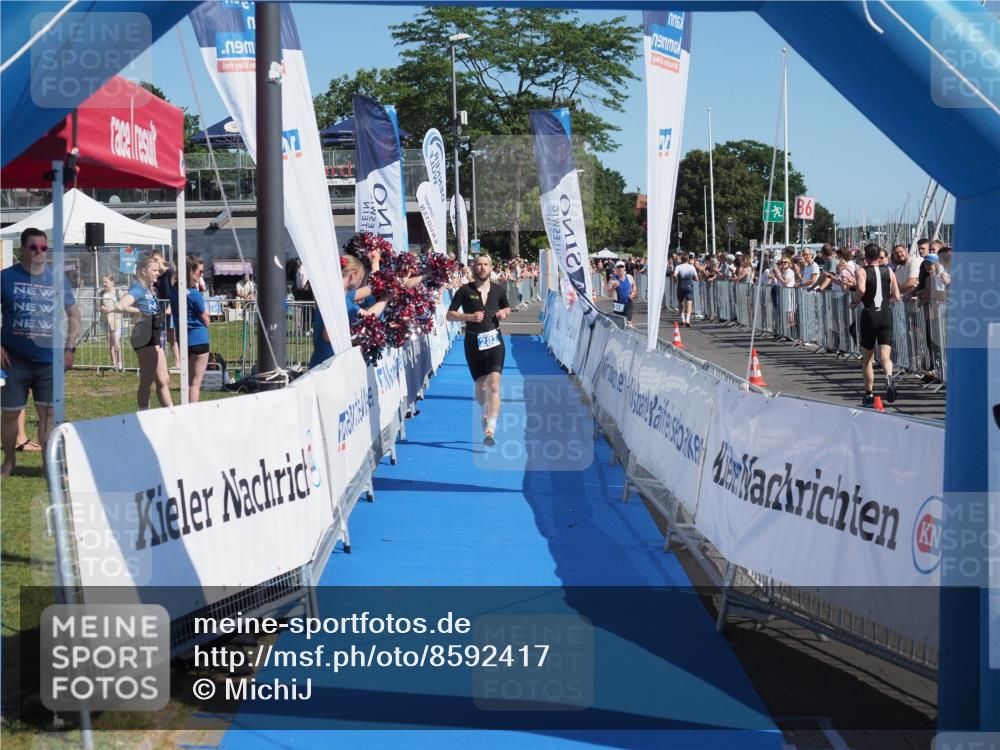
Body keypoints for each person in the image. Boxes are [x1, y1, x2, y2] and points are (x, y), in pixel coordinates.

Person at [1, 228, 81, 476]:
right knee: (10, 414)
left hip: (50, 360)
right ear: (23, 249)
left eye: (43, 248)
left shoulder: (57, 279)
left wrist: (70, 348)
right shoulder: (6, 277)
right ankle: (9, 461)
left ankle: (49, 465)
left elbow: (74, 315)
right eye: (34, 247)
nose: (39, 252)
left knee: (48, 413)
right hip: (14, 360)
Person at [446, 254, 511, 446]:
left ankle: (490, 428)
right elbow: (449, 315)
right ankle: (485, 412)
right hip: (473, 343)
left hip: (495, 342)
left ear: (491, 268)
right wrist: (469, 317)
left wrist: (503, 313)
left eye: (485, 264)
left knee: (494, 385)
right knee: (481, 387)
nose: (482, 267)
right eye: (479, 264)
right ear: (473, 267)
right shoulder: (465, 291)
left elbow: (507, 308)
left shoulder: (499, 290)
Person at [309, 253, 387, 369]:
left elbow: (372, 288)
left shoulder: (336, 295)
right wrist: (386, 299)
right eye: (360, 278)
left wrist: (375, 263)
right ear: (353, 275)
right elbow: (369, 316)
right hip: (328, 365)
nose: (361, 281)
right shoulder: (339, 299)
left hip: (323, 362)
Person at [118, 255, 172, 410]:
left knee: (163, 379)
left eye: (158, 270)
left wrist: (158, 264)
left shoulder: (148, 289)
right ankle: (144, 414)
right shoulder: (138, 288)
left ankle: (171, 413)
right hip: (144, 334)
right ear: (143, 271)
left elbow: (167, 270)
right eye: (154, 270)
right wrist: (138, 311)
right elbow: (121, 306)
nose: (157, 273)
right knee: (148, 379)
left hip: (153, 333)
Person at [852, 243, 901, 407]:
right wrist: (887, 301)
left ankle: (869, 394)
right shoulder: (889, 271)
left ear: (865, 256)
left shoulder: (861, 270)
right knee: (885, 355)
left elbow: (861, 289)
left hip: (870, 313)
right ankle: (888, 376)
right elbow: (897, 295)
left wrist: (854, 301)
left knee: (867, 358)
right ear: (879, 256)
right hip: (885, 313)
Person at [170, 256, 212, 403]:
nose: (201, 275)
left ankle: (187, 409)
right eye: (199, 272)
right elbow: (206, 320)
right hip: (199, 339)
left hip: (184, 340)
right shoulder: (195, 295)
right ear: (190, 272)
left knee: (188, 383)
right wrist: (206, 318)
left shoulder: (174, 292)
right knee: (195, 384)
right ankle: (192, 413)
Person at [100, 274, 124, 372]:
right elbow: (98, 306)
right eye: (103, 282)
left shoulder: (119, 292)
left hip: (116, 320)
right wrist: (102, 308)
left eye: (106, 282)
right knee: (111, 343)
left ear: (112, 282)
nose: (104, 284)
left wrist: (114, 309)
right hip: (105, 320)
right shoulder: (101, 293)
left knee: (116, 341)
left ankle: (120, 364)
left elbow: (123, 306)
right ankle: (114, 364)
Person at [608, 261, 637, 329]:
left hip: (628, 303)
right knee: (619, 324)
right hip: (618, 304)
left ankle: (629, 327)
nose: (620, 268)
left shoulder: (629, 277)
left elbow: (634, 286)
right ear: (616, 269)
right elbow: (609, 294)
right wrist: (613, 287)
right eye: (618, 267)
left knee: (628, 322)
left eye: (622, 267)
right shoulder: (612, 279)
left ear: (624, 268)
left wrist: (633, 293)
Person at [672, 253, 698, 327]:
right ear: (688, 260)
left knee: (680, 302)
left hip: (681, 285)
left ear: (681, 259)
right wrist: (692, 278)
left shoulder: (678, 267)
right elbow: (696, 278)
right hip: (689, 286)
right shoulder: (691, 267)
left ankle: (683, 319)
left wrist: (675, 280)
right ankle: (688, 319)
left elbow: (674, 275)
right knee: (689, 302)